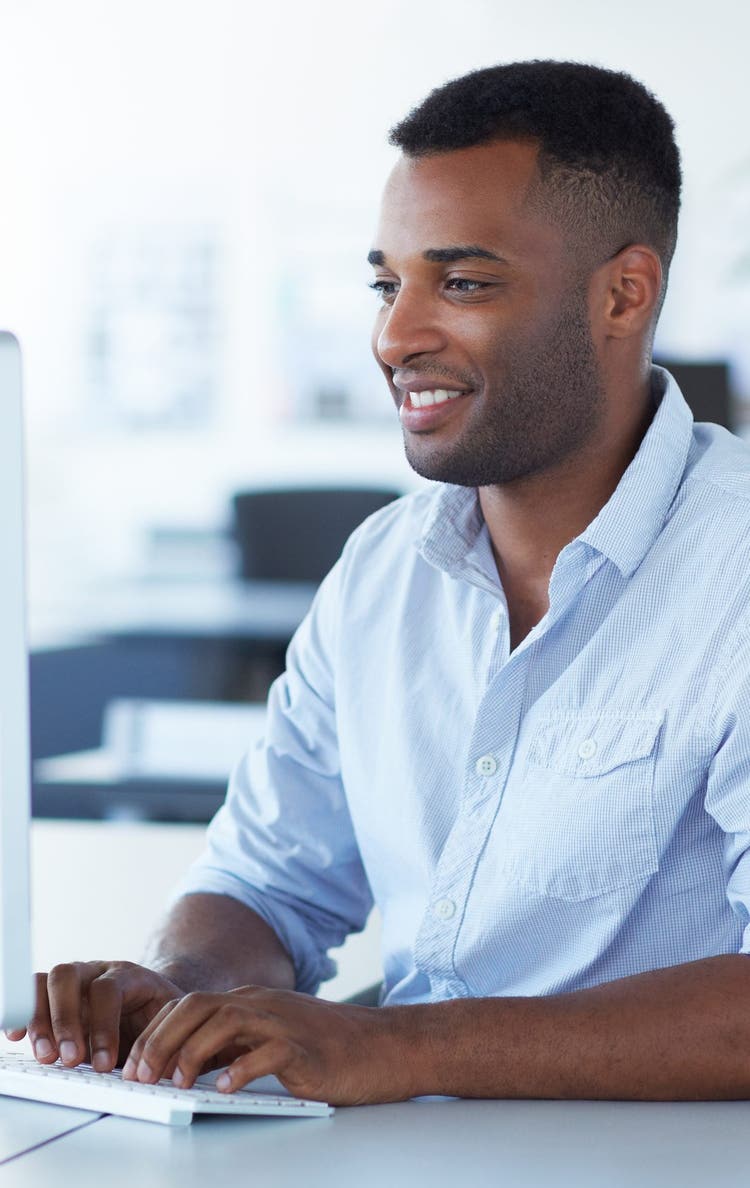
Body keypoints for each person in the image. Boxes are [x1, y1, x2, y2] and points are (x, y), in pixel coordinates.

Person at [11, 59, 750, 1105]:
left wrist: (402, 1049)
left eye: (463, 282)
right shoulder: (382, 571)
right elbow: (268, 884)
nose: (395, 336)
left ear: (622, 294)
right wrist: (182, 995)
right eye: (387, 282)